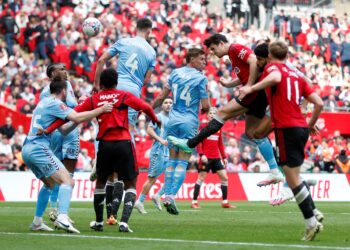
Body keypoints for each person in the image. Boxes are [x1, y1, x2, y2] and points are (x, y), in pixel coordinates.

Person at [45, 68, 160, 233]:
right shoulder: (123, 95)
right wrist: (155, 119)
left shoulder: (94, 99)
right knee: (131, 183)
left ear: (102, 83)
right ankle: (124, 223)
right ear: (116, 82)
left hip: (105, 144)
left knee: (101, 182)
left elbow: (69, 115)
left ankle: (99, 222)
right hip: (123, 143)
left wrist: (49, 129)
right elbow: (146, 107)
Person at [168, 34, 284, 187]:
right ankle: (275, 171)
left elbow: (253, 61)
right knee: (253, 133)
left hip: (255, 94)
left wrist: (249, 87)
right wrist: (230, 84)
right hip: (258, 94)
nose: (213, 53)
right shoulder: (232, 55)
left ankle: (190, 144)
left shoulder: (236, 48)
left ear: (221, 43)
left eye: (214, 49)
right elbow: (246, 74)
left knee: (220, 114)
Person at [239, 41, 324, 241]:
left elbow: (275, 77)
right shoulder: (297, 74)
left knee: (292, 180)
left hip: (286, 128)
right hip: (301, 128)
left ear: (269, 55)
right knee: (294, 176)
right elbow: (319, 102)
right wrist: (310, 123)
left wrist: (251, 88)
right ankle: (314, 212)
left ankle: (311, 222)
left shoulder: (273, 68)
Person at [22, 77, 112, 234]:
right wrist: (100, 110)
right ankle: (63, 217)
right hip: (38, 148)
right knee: (68, 181)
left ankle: (37, 222)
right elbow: (76, 116)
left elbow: (64, 130)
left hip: (27, 148)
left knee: (49, 184)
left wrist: (78, 121)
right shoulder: (55, 103)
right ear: (64, 91)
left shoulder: (43, 102)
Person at [92, 18, 156, 223]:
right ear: (149, 31)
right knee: (126, 133)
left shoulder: (124, 41)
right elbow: (146, 80)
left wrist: (96, 85)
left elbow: (101, 60)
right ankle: (124, 171)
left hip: (116, 87)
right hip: (133, 92)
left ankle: (98, 161)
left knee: (105, 127)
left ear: (135, 28)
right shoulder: (151, 52)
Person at [152, 48, 210, 215]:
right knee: (183, 161)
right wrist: (208, 112)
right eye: (201, 59)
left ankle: (167, 195)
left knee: (172, 159)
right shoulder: (201, 78)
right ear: (191, 59)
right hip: (189, 122)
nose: (204, 62)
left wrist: (148, 109)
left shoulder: (174, 74)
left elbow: (162, 96)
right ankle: (170, 195)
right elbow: (206, 106)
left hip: (172, 121)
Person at [40, 63, 79, 223]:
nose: (65, 70)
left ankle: (62, 211)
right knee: (58, 171)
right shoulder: (45, 93)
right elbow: (71, 108)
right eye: (60, 68)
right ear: (52, 74)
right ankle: (55, 208)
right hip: (57, 131)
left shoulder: (68, 85)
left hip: (71, 131)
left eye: (65, 68)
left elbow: (73, 105)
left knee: (69, 171)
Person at [191, 107, 236, 209]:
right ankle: (194, 202)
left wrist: (224, 157)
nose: (212, 114)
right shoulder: (203, 127)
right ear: (208, 115)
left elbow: (220, 144)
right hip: (206, 158)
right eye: (210, 113)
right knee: (201, 178)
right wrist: (201, 155)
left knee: (224, 178)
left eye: (214, 113)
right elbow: (198, 142)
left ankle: (225, 202)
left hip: (216, 158)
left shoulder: (218, 128)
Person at [134, 97, 173, 214]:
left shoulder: (172, 119)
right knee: (152, 178)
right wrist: (161, 140)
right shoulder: (159, 117)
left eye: (170, 103)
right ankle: (139, 201)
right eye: (166, 102)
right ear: (162, 105)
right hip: (158, 151)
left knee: (173, 176)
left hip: (168, 152)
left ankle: (157, 195)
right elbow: (149, 130)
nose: (168, 104)